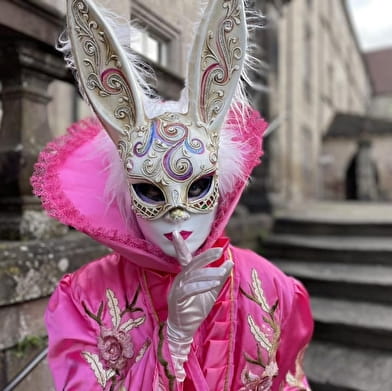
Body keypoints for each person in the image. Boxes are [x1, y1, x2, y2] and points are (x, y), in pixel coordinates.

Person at [31, 0, 313, 389]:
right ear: (127, 193)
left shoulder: (271, 286)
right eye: (151, 191)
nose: (178, 215)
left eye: (196, 186)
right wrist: (172, 343)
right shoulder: (85, 297)